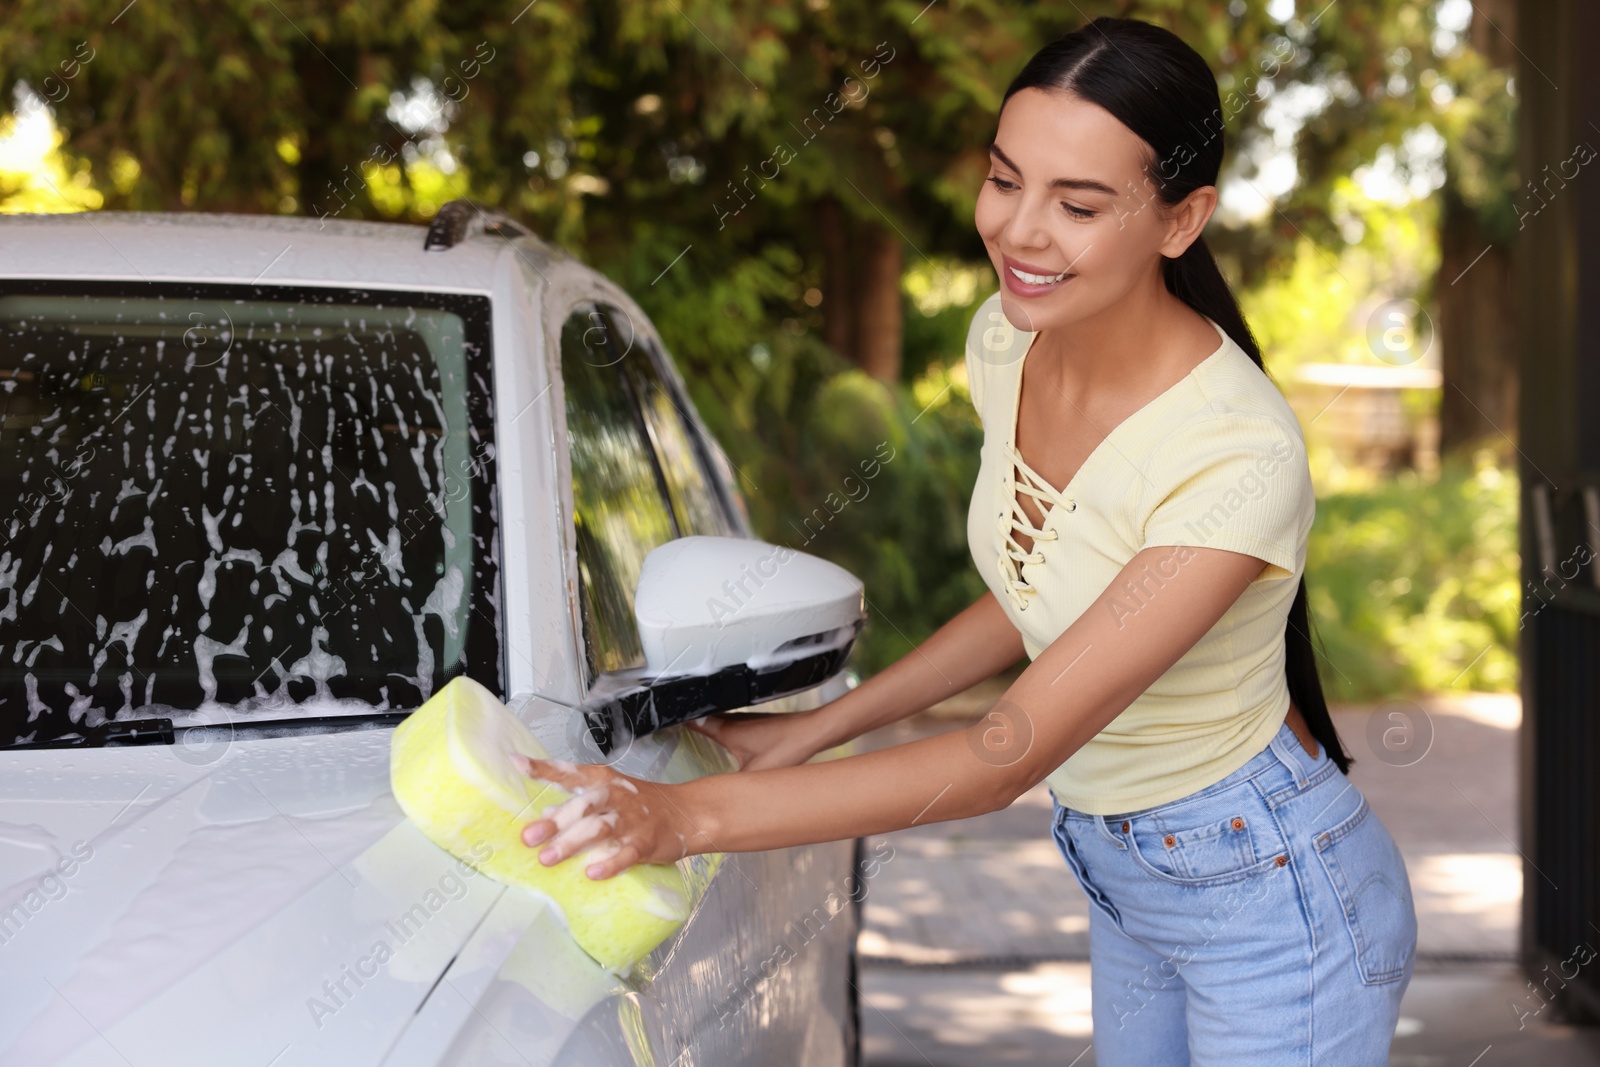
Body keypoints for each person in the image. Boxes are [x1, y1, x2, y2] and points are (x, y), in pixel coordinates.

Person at [514, 15, 1418, 1064]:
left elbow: (1003, 753)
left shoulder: (1233, 454)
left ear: (1182, 221)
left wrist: (686, 817)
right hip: (1131, 875)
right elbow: (1039, 594)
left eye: (1077, 204)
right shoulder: (1008, 337)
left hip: (1270, 897)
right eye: (1005, 179)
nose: (1021, 231)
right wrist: (819, 724)